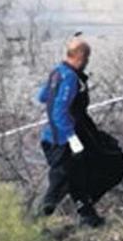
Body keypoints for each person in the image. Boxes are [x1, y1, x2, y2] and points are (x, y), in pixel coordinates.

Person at [37, 36, 107, 227]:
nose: (87, 63)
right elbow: (59, 112)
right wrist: (71, 137)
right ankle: (36, 222)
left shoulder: (57, 72)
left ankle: (88, 217)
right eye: (87, 58)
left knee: (78, 175)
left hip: (50, 137)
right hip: (59, 141)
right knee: (59, 182)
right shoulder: (69, 77)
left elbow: (42, 96)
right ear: (81, 57)